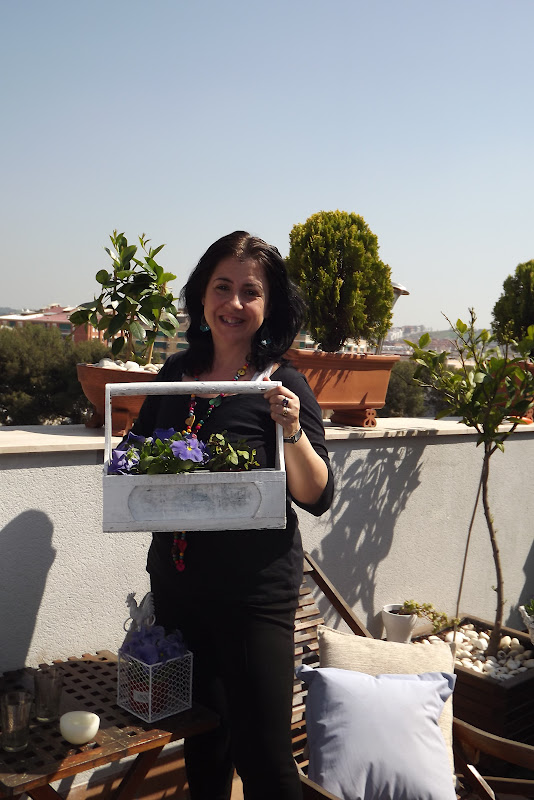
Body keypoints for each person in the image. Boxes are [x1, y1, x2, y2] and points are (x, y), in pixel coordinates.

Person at [131, 231, 334, 800]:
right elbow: (135, 451)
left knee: (264, 758)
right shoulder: (175, 374)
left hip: (254, 599)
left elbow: (317, 495)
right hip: (179, 590)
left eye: (251, 292)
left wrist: (290, 430)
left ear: (269, 306)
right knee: (205, 747)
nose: (234, 303)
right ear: (202, 295)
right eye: (223, 287)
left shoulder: (282, 383)